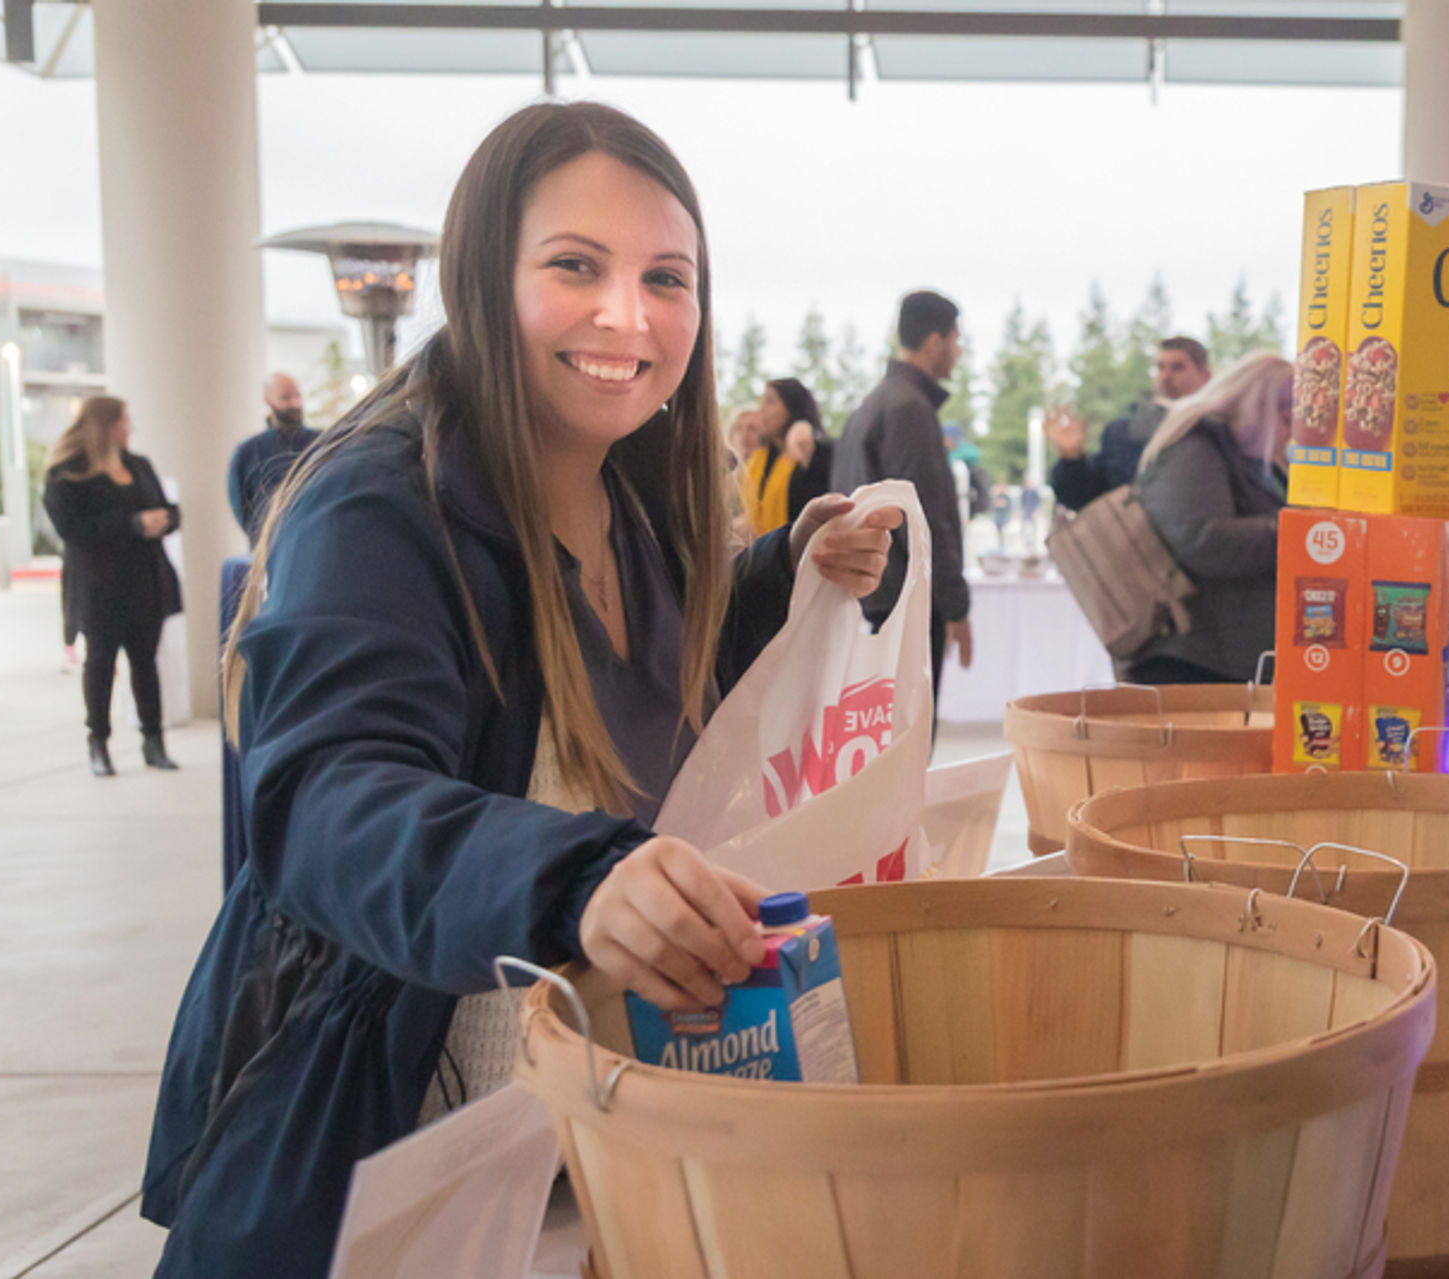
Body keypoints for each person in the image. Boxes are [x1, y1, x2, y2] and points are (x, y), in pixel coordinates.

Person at [140, 103, 898, 1279]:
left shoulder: (631, 492)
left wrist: (780, 571)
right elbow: (329, 799)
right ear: (480, 276)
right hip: (377, 1128)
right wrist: (578, 880)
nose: (627, 316)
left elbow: (641, 676)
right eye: (575, 267)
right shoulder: (384, 505)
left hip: (554, 1143)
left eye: (667, 277)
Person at [833, 290, 973, 697]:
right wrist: (956, 606)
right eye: (955, 340)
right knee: (905, 747)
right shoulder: (909, 409)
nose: (958, 352)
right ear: (934, 343)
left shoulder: (873, 404)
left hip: (877, 599)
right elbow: (922, 519)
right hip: (905, 604)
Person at [1123, 350, 1292, 686]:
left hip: (1222, 653)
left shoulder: (1237, 453)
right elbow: (1203, 539)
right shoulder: (1195, 445)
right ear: (1261, 406)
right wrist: (1298, 532)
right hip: (1196, 658)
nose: (1292, 431)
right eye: (1287, 419)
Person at [41, 396, 183, 777]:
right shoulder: (66, 473)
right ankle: (98, 743)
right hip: (99, 587)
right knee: (101, 664)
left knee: (146, 663)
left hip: (145, 581)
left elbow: (171, 511)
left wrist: (162, 520)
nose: (129, 427)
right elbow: (72, 531)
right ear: (104, 426)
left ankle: (154, 741)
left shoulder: (139, 466)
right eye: (123, 420)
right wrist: (132, 525)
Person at [1047, 336, 1212, 511]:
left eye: (1178, 367)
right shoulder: (1122, 435)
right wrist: (1071, 458)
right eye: (1160, 367)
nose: (1165, 376)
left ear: (1205, 376)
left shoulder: (1220, 431)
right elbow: (1083, 497)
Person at [226, 371, 322, 542]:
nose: (294, 403)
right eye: (285, 397)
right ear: (268, 400)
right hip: (269, 547)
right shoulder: (247, 452)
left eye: (297, 396)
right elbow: (241, 507)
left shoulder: (321, 443)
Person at [738, 376, 834, 537]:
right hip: (761, 556)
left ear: (793, 406)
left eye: (770, 402)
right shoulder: (758, 459)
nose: (761, 410)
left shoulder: (815, 453)